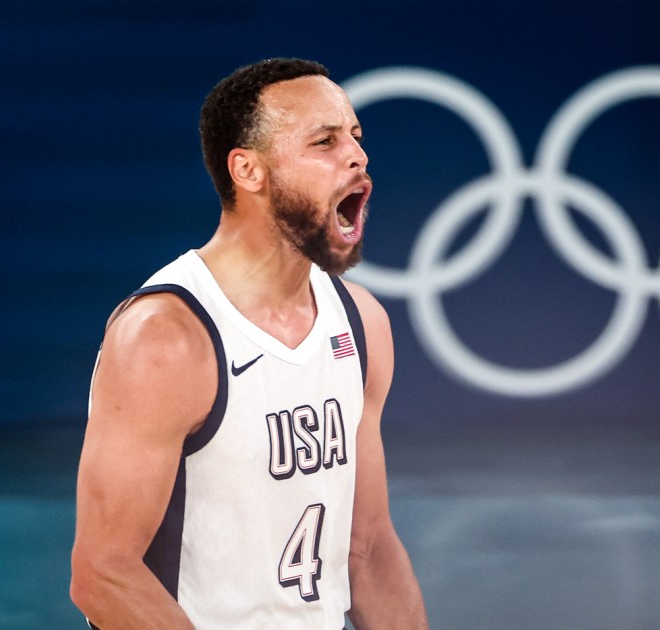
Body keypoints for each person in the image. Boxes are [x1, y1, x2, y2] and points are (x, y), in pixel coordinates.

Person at [70, 58, 429, 629]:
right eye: (324, 141)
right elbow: (104, 573)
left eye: (356, 138)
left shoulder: (360, 322)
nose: (357, 156)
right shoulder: (167, 337)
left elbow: (368, 548)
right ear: (248, 170)